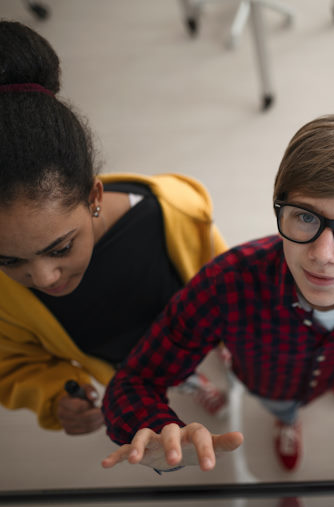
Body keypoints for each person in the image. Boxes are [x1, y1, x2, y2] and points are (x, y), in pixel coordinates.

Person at [101, 114, 334, 473]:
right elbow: (135, 380)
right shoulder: (225, 285)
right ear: (281, 207)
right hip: (270, 385)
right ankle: (286, 419)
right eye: (306, 217)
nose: (323, 255)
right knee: (283, 405)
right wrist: (154, 428)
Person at [0, 21, 231, 436]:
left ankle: (196, 372)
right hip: (117, 363)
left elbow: (220, 272)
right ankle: (189, 383)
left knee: (187, 355)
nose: (42, 278)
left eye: (60, 248)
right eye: (9, 261)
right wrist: (56, 396)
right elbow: (13, 362)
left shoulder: (174, 211)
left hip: (187, 328)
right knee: (157, 375)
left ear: (94, 197)